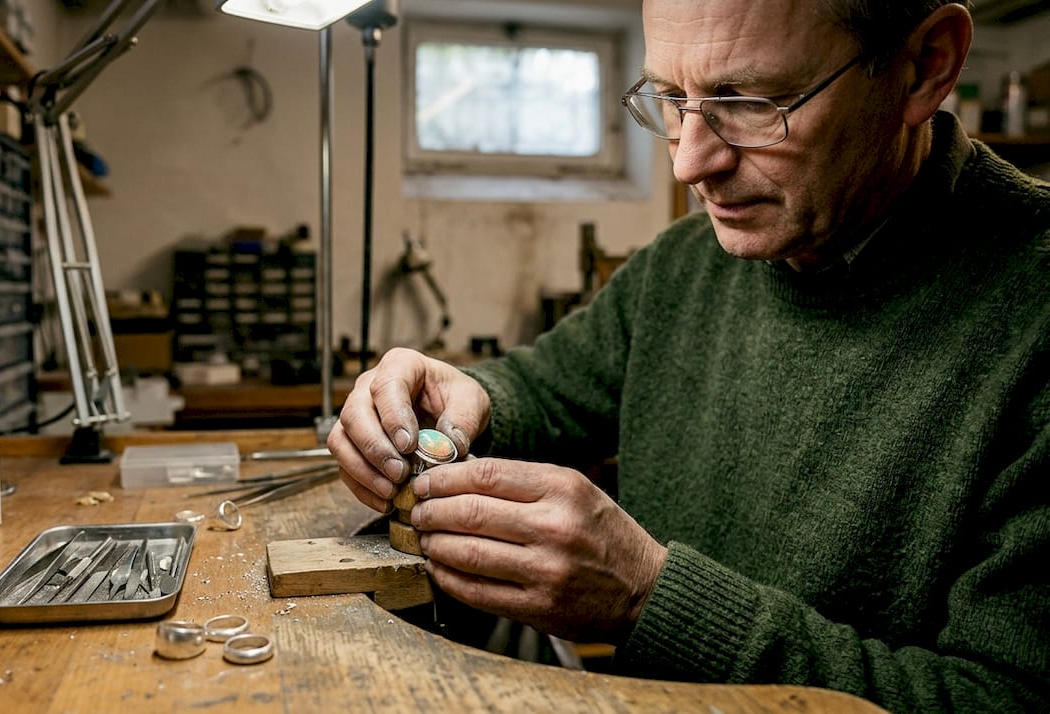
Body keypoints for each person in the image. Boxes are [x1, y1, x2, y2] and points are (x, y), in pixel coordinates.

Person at [326, 0, 1050, 711]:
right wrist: (461, 397)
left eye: (750, 102)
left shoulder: (1032, 314)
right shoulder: (682, 265)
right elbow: (544, 389)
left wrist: (649, 598)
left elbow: (1007, 697)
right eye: (672, 98)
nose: (689, 163)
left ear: (924, 66)